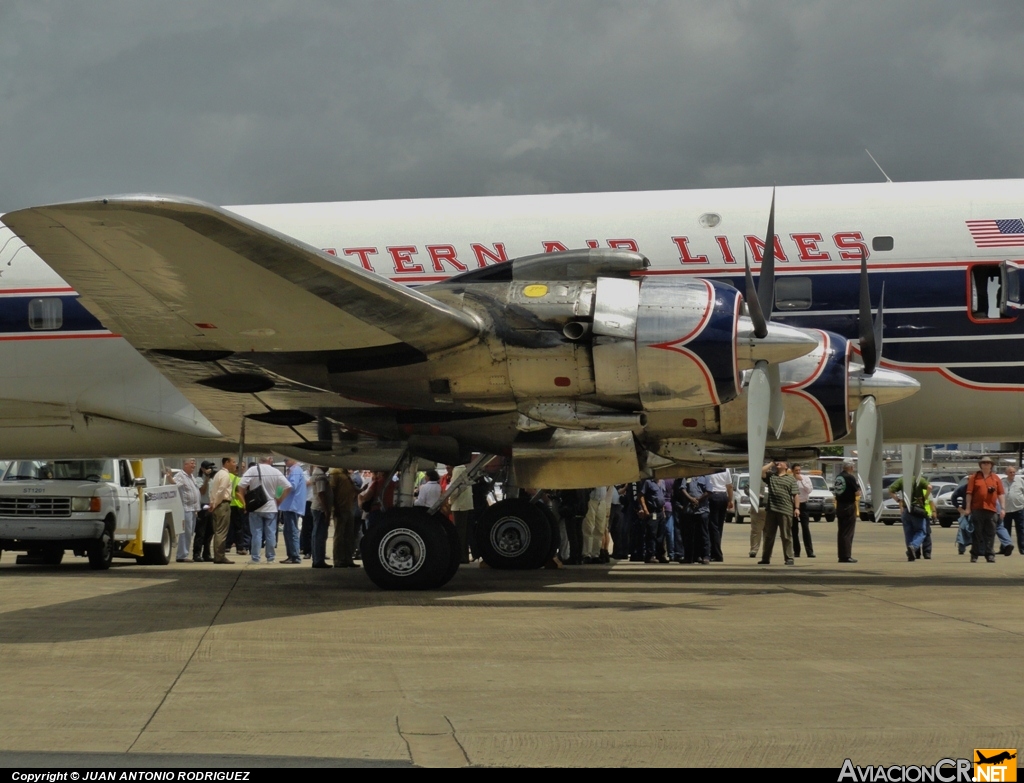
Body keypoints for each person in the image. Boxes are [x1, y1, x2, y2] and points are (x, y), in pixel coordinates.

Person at [237, 456, 291, 564]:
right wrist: (279, 500)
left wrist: (244, 502)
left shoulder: (253, 470)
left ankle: (255, 558)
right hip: (271, 506)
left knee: (256, 534)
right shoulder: (275, 471)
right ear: (270, 460)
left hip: (255, 507)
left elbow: (241, 486)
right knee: (270, 533)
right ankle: (270, 558)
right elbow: (288, 487)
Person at [966, 456, 1004, 563]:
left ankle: (990, 554)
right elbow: (969, 493)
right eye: (984, 463)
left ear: (991, 465)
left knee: (990, 534)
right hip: (977, 509)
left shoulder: (996, 478)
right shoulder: (974, 477)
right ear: (980, 465)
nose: (986, 464)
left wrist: (1003, 508)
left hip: (991, 510)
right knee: (977, 533)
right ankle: (974, 554)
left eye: (988, 463)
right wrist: (968, 507)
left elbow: (1001, 494)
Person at [758, 459, 797, 565]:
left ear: (786, 466)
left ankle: (789, 558)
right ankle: (765, 558)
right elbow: (761, 471)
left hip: (785, 510)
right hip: (772, 510)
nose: (778, 464)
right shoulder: (771, 476)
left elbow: (795, 494)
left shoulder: (791, 479)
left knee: (786, 535)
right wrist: (771, 462)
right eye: (777, 462)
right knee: (769, 535)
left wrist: (797, 508)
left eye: (781, 462)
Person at [888, 472, 932, 562]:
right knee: (921, 531)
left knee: (908, 532)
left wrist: (898, 500)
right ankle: (913, 546)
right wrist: (925, 498)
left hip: (905, 509)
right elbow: (930, 487)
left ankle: (911, 553)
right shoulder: (919, 479)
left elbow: (890, 490)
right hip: (917, 509)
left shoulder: (902, 479)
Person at [278, 458, 308, 564]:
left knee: (292, 531)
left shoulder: (295, 470)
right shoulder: (293, 470)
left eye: (286, 460)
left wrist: (281, 488)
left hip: (292, 505)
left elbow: (292, 486)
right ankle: (291, 555)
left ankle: (295, 556)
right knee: (287, 531)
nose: (285, 462)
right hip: (288, 505)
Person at [675, 474, 710, 564]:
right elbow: (682, 488)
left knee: (703, 534)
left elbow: (709, 491)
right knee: (689, 535)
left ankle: (705, 556)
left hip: (702, 510)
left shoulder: (705, 477)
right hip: (689, 510)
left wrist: (698, 500)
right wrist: (691, 499)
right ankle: (688, 557)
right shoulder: (687, 477)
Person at [172, 458, 201, 562]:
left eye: (194, 464)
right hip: (186, 508)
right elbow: (173, 485)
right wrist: (169, 477)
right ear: (185, 465)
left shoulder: (191, 476)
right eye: (192, 464)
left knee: (190, 532)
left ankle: (184, 554)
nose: (194, 466)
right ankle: (181, 555)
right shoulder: (181, 475)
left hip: (193, 509)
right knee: (186, 532)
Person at [208, 457, 236, 564]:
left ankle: (218, 555)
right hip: (222, 504)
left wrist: (212, 502)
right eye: (233, 462)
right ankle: (220, 556)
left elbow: (213, 490)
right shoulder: (225, 475)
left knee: (218, 531)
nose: (235, 464)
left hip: (217, 504)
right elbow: (221, 491)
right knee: (221, 532)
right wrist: (215, 503)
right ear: (227, 462)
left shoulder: (218, 474)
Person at [330, 468, 359, 567]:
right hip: (341, 509)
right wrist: (335, 507)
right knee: (339, 536)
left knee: (348, 536)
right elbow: (332, 490)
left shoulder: (347, 476)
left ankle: (348, 559)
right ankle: (338, 560)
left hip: (349, 508)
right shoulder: (336, 474)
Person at [448, 463, 476, 563]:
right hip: (466, 504)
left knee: (459, 533)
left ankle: (460, 556)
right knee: (465, 532)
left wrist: (449, 499)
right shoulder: (464, 469)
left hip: (459, 505)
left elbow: (455, 488)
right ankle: (464, 556)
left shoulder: (458, 469)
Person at [705, 468, 733, 562]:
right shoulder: (726, 469)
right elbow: (729, 486)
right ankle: (716, 552)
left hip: (713, 495)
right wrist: (730, 499)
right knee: (719, 527)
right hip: (723, 496)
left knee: (713, 527)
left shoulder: (709, 469)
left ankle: (716, 553)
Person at [833, 462, 858, 563]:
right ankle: (846, 555)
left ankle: (841, 555)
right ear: (851, 467)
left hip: (840, 505)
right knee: (848, 532)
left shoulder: (839, 477)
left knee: (841, 531)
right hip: (849, 505)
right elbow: (857, 492)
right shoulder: (850, 477)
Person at [192, 460, 216, 562]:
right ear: (202, 469)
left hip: (211, 506)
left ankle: (207, 554)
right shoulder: (198, 479)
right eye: (207, 468)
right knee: (200, 532)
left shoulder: (212, 480)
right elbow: (202, 491)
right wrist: (206, 479)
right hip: (202, 506)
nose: (209, 470)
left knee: (210, 532)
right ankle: (196, 554)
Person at [309, 465, 332, 569]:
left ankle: (317, 559)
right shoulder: (320, 476)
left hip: (317, 507)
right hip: (320, 509)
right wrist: (326, 510)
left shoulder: (316, 473)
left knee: (316, 534)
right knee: (320, 535)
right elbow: (321, 493)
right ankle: (318, 560)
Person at [581, 486, 611, 564]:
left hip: (602, 501)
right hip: (591, 500)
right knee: (588, 528)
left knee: (600, 529)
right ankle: (587, 554)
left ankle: (596, 554)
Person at [790, 464, 815, 558]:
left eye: (799, 470)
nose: (798, 472)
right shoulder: (790, 479)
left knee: (805, 528)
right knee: (794, 529)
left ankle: (809, 551)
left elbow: (809, 490)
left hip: (803, 504)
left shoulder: (805, 478)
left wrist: (802, 481)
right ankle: (796, 551)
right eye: (796, 470)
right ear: (792, 471)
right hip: (793, 505)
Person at [1001, 465, 1024, 555]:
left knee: (1021, 529)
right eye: (1010, 472)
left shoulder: (1020, 481)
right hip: (1006, 510)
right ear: (1006, 473)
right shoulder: (1002, 482)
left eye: (1014, 472)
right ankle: (1005, 548)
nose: (1012, 474)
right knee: (1005, 530)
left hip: (1019, 508)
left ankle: (1022, 549)